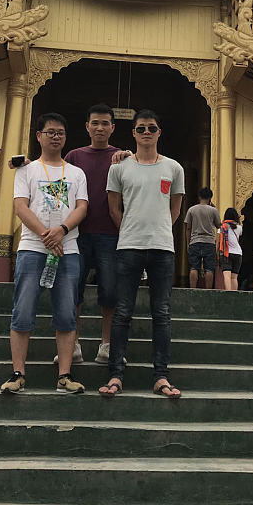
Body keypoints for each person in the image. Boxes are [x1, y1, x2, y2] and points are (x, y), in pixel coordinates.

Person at [99, 109, 184, 398]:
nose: (146, 133)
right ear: (133, 133)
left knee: (161, 313)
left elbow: (175, 209)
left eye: (151, 128)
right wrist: (131, 231)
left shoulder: (173, 168)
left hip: (162, 248)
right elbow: (113, 208)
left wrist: (158, 230)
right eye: (141, 129)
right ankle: (115, 375)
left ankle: (161, 376)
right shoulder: (119, 167)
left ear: (159, 132)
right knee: (122, 312)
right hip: (129, 247)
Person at [0, 112, 88, 395]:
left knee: (66, 313)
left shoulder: (75, 173)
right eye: (50, 132)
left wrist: (61, 230)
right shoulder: (27, 170)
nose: (55, 136)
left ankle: (64, 375)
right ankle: (17, 373)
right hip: (32, 248)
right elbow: (21, 207)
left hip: (68, 249)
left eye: (60, 132)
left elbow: (82, 208)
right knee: (23, 310)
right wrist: (46, 236)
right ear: (38, 136)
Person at [65, 104, 120, 365]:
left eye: (105, 123)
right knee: (73, 290)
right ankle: (72, 344)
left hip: (111, 234)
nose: (100, 128)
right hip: (77, 233)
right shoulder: (74, 156)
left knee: (109, 292)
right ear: (87, 126)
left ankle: (106, 345)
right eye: (95, 123)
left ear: (112, 127)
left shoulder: (121, 158)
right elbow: (58, 182)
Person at [185, 187, 221, 289]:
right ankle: (208, 290)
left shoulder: (191, 210)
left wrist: (188, 243)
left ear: (199, 197)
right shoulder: (213, 210)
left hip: (195, 241)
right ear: (210, 198)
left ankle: (193, 289)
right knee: (209, 269)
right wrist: (214, 208)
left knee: (193, 267)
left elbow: (188, 228)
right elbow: (219, 226)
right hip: (209, 242)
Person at [218, 207, 242, 291]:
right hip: (238, 253)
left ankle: (228, 294)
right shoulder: (239, 227)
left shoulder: (222, 227)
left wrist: (218, 253)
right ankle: (234, 295)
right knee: (234, 278)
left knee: (227, 276)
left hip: (226, 253)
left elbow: (219, 241)